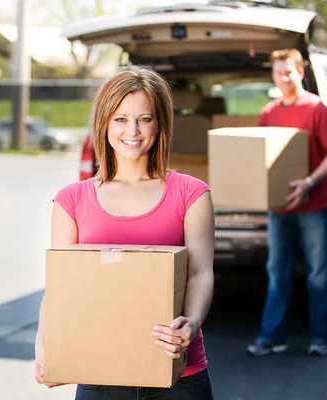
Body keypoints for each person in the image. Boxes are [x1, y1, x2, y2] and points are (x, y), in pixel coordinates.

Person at [34, 65, 216, 399]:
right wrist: (43, 345)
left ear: (160, 123)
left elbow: (201, 273)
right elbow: (59, 288)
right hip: (99, 372)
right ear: (103, 123)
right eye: (120, 119)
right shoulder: (70, 200)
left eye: (144, 119)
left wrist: (191, 323)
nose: (132, 130)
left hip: (179, 374)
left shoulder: (191, 194)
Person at [247, 48, 327, 357]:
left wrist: (309, 182)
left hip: (312, 204)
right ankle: (271, 336)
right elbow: (262, 156)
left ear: (300, 72)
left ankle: (322, 337)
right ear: (272, 76)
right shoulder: (269, 112)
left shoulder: (317, 109)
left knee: (317, 272)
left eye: (289, 71)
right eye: (278, 72)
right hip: (279, 207)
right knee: (277, 271)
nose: (284, 78)